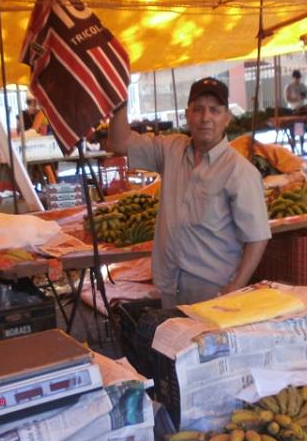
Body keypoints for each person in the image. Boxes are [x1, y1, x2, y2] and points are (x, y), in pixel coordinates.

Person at [106, 77, 271, 308]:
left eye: (214, 110)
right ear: (187, 115)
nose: (205, 118)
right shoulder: (171, 149)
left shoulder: (240, 171)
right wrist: (119, 101)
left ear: (227, 118)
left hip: (212, 292)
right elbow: (118, 143)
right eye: (198, 109)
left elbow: (258, 237)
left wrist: (234, 289)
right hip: (169, 284)